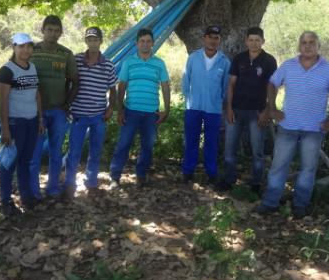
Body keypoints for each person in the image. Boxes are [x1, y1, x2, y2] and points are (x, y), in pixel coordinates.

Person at [256, 31, 329, 218]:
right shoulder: (288, 66)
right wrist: (272, 108)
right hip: (287, 126)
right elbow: (272, 83)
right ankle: (270, 202)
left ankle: (300, 205)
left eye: (311, 42)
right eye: (303, 42)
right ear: (299, 46)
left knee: (308, 168)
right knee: (278, 165)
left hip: (314, 129)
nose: (307, 45)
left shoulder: (328, 69)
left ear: (318, 46)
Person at [219, 26, 277, 192]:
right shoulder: (239, 58)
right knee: (230, 148)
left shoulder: (269, 61)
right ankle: (229, 179)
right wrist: (228, 108)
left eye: (257, 40)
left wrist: (267, 110)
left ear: (263, 41)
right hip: (236, 110)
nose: (253, 43)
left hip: (257, 112)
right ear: (246, 41)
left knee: (257, 151)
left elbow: (272, 87)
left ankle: (256, 183)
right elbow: (231, 84)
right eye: (250, 40)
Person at [109, 29, 170, 187]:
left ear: (152, 43)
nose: (145, 44)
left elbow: (165, 86)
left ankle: (141, 175)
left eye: (148, 41)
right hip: (131, 111)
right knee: (124, 143)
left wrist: (167, 110)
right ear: (137, 43)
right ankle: (115, 176)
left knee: (147, 146)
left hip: (152, 113)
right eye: (142, 41)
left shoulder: (159, 63)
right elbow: (122, 86)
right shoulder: (129, 62)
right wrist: (120, 110)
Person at [29, 15, 79, 200]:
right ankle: (34, 192)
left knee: (56, 153)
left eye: (56, 30)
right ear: (42, 30)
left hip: (58, 111)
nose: (53, 33)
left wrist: (67, 104)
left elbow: (75, 81)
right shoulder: (31, 50)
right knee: (34, 155)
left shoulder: (66, 54)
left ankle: (52, 188)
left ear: (61, 32)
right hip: (35, 112)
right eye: (49, 29)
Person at [64, 27, 117, 196]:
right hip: (78, 114)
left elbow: (113, 89)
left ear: (101, 41)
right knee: (74, 150)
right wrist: (66, 104)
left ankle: (91, 181)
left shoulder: (108, 64)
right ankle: (70, 183)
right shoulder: (76, 60)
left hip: (98, 116)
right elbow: (68, 82)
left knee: (96, 150)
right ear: (86, 41)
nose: (92, 42)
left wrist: (110, 109)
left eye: (95, 39)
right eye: (89, 40)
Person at [0, 33, 43, 215]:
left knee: (25, 161)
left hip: (32, 122)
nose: (26, 50)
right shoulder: (7, 70)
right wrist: (5, 128)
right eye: (21, 46)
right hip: (15, 123)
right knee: (8, 163)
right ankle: (6, 200)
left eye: (29, 46)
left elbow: (36, 94)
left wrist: (40, 118)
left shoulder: (32, 67)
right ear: (14, 47)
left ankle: (26, 196)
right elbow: (3, 100)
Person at [181, 25, 230, 185]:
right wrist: (189, 100)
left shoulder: (224, 61)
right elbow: (185, 80)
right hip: (193, 107)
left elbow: (226, 86)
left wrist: (218, 101)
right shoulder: (193, 58)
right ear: (204, 39)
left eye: (216, 38)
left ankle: (211, 173)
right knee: (191, 140)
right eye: (210, 37)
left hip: (213, 109)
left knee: (211, 142)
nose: (213, 41)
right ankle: (188, 172)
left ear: (219, 40)